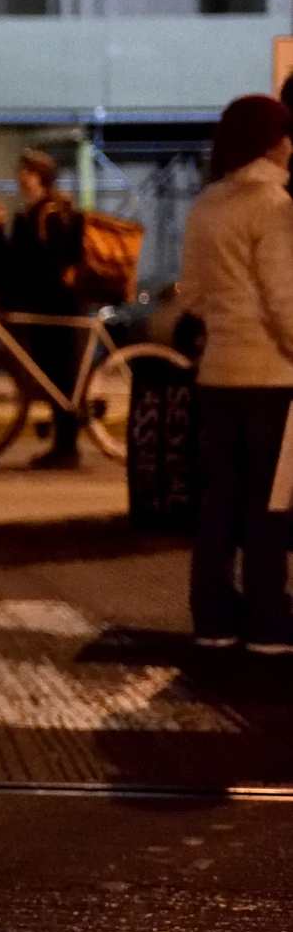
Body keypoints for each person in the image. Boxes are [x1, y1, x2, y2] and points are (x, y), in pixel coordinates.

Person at [178, 95, 293, 652]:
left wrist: (225, 319)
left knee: (221, 498)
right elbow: (283, 296)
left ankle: (213, 618)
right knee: (267, 502)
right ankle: (268, 621)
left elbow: (192, 293)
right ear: (272, 142)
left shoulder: (207, 204)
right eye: (287, 136)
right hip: (270, 374)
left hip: (218, 373)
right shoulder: (272, 204)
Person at [5, 149, 85, 469]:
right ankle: (63, 442)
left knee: (59, 374)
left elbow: (52, 261)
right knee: (52, 374)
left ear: (41, 177)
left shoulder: (48, 212)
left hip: (55, 306)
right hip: (46, 303)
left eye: (28, 172)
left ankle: (66, 446)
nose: (21, 177)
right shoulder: (36, 211)